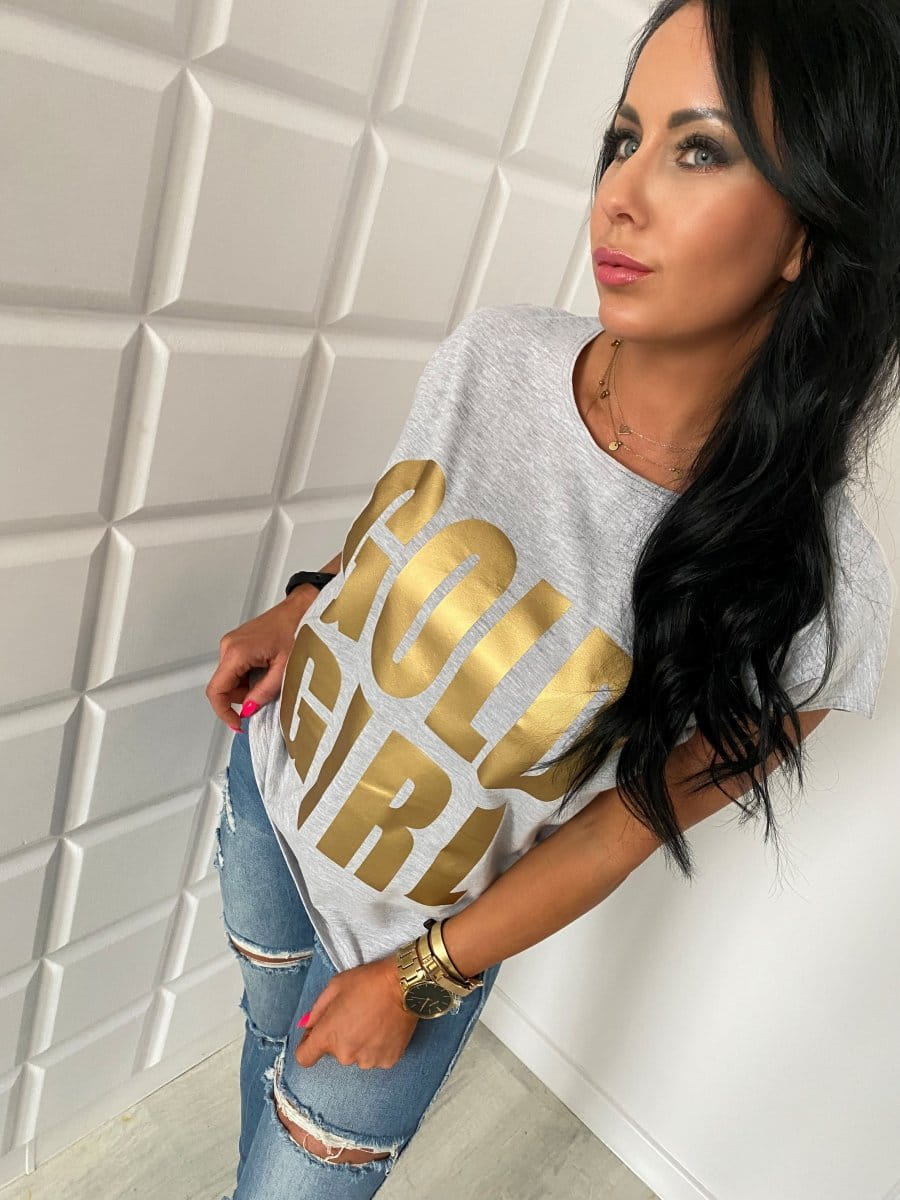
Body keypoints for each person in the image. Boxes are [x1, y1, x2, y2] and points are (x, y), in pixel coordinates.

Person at [204, 1, 900, 1195]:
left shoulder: (811, 596)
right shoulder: (499, 352)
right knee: (262, 1047)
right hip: (272, 799)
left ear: (809, 226)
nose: (619, 194)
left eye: (699, 149)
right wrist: (302, 604)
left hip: (411, 950)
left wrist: (416, 982)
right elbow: (395, 546)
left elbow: (620, 828)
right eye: (624, 138)